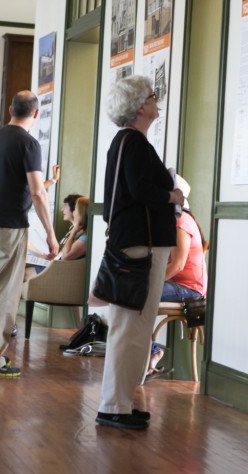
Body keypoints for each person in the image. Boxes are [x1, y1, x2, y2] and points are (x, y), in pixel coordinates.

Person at [96, 75, 183, 430]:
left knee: (134, 326)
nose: (156, 100)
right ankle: (113, 405)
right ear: (139, 106)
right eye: (152, 95)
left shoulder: (126, 141)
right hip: (140, 245)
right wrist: (171, 196)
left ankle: (121, 402)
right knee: (130, 326)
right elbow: (140, 188)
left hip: (135, 241)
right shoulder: (133, 142)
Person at [0, 91, 58, 377]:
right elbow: (37, 192)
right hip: (10, 226)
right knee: (3, 295)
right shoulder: (29, 144)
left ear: (10, 110)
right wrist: (52, 236)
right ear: (36, 113)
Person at [147, 175, 207, 377]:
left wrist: (153, 282)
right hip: (180, 286)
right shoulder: (179, 220)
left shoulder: (181, 221)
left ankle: (151, 352)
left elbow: (179, 265)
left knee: (137, 294)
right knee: (134, 292)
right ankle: (147, 354)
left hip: (190, 290)